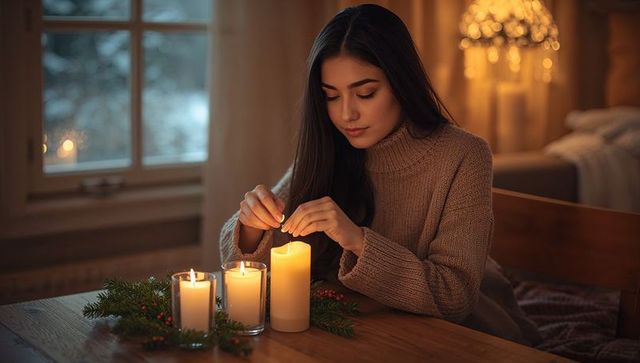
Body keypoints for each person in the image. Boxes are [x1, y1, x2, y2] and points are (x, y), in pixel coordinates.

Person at [220, 4, 540, 345]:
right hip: (358, 327)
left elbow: (453, 297)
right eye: (331, 96)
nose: (346, 114)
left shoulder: (463, 155)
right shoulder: (329, 146)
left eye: (365, 93)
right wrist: (251, 227)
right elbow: (241, 263)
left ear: (401, 82)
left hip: (455, 333)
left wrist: (356, 239)